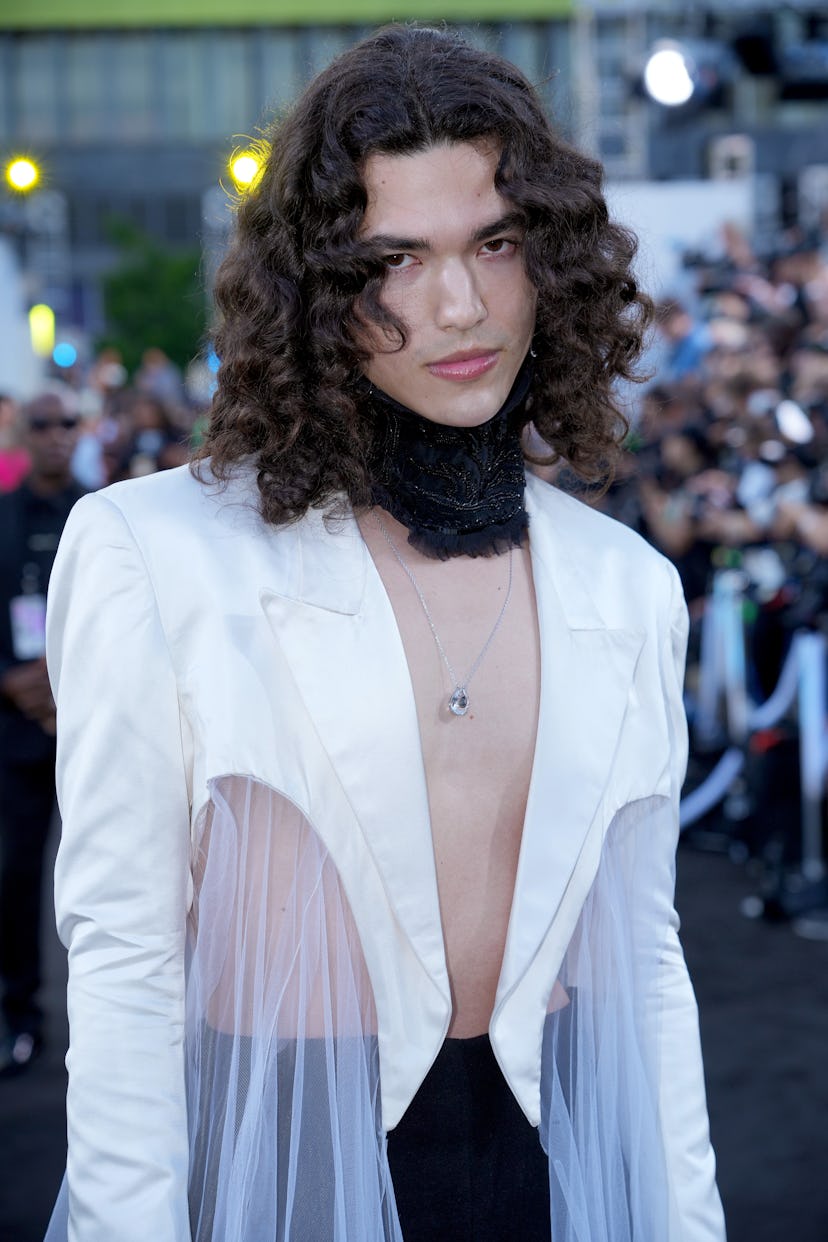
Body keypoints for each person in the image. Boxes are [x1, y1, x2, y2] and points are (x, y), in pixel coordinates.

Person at [45, 25, 725, 1242]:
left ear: (553, 260)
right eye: (393, 260)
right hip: (274, 1169)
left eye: (496, 245)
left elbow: (650, 966)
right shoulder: (156, 554)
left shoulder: (626, 588)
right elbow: (125, 956)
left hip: (550, 1172)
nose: (459, 305)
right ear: (315, 289)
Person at [0, 391, 83, 1075]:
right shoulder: (3, 518)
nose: (57, 436)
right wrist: (12, 680)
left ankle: (114, 1026)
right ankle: (19, 1015)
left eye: (68, 424)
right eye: (43, 424)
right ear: (24, 435)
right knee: (17, 876)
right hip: (19, 727)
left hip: (95, 724)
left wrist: (70, 682)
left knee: (111, 880)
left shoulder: (103, 512)